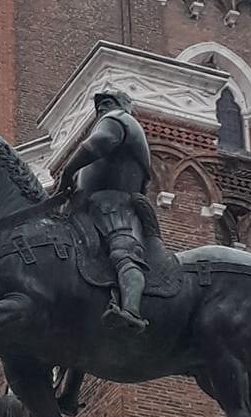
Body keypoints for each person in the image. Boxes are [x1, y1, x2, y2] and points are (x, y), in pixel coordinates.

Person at [57, 90, 151, 334]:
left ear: (123, 106)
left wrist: (67, 171)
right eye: (99, 105)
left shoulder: (120, 119)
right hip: (87, 210)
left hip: (115, 206)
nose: (102, 108)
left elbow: (99, 143)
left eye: (107, 102)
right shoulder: (111, 119)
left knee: (123, 253)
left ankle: (131, 311)